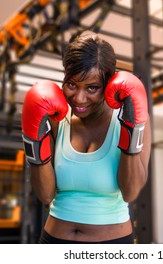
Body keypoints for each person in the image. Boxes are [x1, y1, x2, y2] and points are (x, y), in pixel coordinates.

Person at [21, 31, 151, 244]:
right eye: (72, 85)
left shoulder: (132, 117)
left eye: (92, 88)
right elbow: (45, 195)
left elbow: (130, 192)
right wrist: (33, 140)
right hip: (53, 240)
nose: (79, 98)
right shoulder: (58, 119)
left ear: (109, 84)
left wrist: (131, 127)